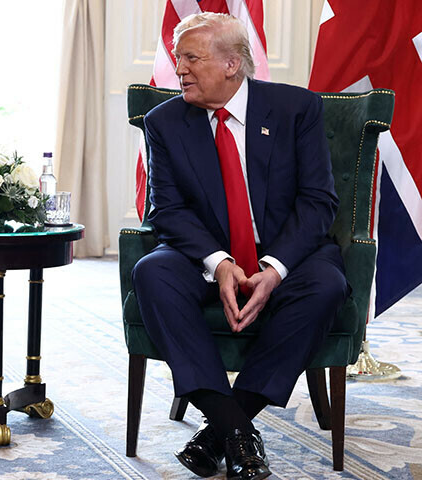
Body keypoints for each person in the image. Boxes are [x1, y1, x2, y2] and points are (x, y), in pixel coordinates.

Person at [132, 12, 349, 480]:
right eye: (177, 58)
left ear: (232, 64)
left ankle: (221, 433)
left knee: (327, 284)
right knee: (152, 271)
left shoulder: (297, 110)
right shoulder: (164, 121)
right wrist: (220, 262)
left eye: (191, 58)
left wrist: (273, 267)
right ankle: (236, 430)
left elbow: (318, 202)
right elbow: (165, 210)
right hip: (205, 256)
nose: (180, 68)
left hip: (284, 253)